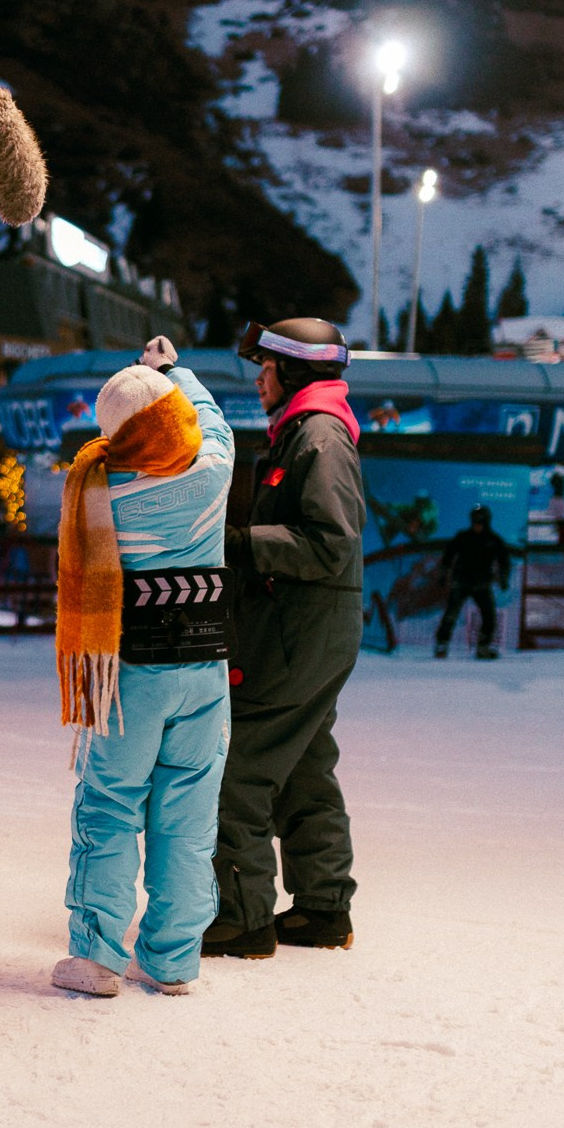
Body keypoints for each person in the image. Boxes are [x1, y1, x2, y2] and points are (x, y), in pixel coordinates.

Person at [50, 338, 233, 997]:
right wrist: (171, 369)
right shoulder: (214, 465)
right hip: (206, 670)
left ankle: (96, 957)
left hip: (130, 676)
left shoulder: (102, 492)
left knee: (109, 805)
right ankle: (171, 959)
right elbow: (208, 412)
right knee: (188, 813)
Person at [206, 318, 364, 960]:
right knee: (302, 768)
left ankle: (244, 920)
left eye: (266, 367)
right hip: (312, 630)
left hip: (301, 634)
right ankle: (324, 909)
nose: (258, 377)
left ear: (294, 372)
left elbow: (332, 542)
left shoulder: (319, 438)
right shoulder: (305, 433)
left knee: (239, 769)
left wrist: (240, 545)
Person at [434, 504, 512, 659]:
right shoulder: (463, 537)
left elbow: (504, 561)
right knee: (451, 614)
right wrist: (443, 574)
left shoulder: (493, 540)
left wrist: (503, 578)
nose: (477, 526)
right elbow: (448, 556)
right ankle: (442, 644)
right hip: (462, 581)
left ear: (486, 523)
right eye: (475, 523)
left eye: (480, 523)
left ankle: (483, 647)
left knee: (489, 616)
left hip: (481, 584)